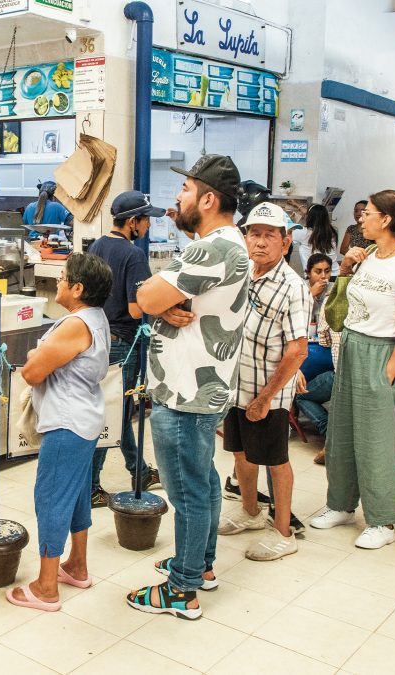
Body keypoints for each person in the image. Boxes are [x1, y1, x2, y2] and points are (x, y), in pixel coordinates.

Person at [125, 154, 249, 620]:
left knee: (188, 493)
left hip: (184, 390)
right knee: (205, 480)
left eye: (185, 190)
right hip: (205, 385)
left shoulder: (214, 247)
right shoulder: (225, 245)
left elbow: (146, 296)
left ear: (209, 198)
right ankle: (201, 564)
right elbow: (159, 301)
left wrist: (157, 300)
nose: (178, 198)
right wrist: (162, 302)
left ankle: (182, 590)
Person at [309, 191, 395, 548]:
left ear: (387, 220)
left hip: (382, 354)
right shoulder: (372, 255)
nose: (361, 218)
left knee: (379, 441)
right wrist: (346, 268)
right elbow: (343, 305)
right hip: (351, 347)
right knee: (342, 434)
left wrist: (389, 373)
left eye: (369, 213)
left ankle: (382, 521)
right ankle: (341, 505)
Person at [6, 253, 112, 611]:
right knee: (78, 493)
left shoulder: (75, 324)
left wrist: (39, 354)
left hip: (66, 423)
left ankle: (46, 586)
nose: (59, 282)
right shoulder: (95, 319)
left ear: (78, 288)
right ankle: (76, 566)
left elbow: (32, 372)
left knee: (50, 498)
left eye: (64, 277)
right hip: (85, 419)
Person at [217, 202, 309, 561]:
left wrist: (266, 398)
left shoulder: (292, 286)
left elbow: (297, 350)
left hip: (268, 391)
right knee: (240, 453)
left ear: (285, 243)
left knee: (275, 459)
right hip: (236, 386)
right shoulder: (243, 274)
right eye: (254, 234)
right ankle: (250, 511)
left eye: (270, 235)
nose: (260, 242)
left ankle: (284, 532)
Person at [86, 191, 163, 507]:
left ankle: (139, 470)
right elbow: (136, 310)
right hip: (123, 346)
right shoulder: (134, 256)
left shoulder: (97, 246)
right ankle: (90, 487)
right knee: (112, 414)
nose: (148, 226)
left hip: (98, 339)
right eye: (146, 220)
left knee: (117, 411)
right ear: (133, 221)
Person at [296, 253, 335, 465]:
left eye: (327, 271)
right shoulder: (301, 290)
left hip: (325, 350)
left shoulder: (333, 293)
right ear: (308, 273)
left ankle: (329, 433)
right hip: (308, 346)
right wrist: (310, 296)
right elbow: (294, 320)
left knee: (299, 388)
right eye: (317, 271)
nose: (323, 276)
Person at [291, 204, 338, 269]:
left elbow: (286, 234)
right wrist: (297, 204)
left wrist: (294, 220)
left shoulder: (303, 233)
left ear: (309, 217)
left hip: (317, 276)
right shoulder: (332, 232)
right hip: (334, 273)